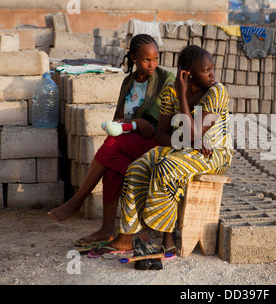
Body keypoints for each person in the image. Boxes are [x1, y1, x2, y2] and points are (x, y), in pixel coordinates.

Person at [88, 45, 233, 257]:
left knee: (167, 168)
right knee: (137, 167)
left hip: (213, 154)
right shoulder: (170, 92)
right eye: (206, 70)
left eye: (212, 68)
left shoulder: (216, 92)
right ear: (187, 73)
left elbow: (193, 131)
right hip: (181, 147)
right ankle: (125, 238)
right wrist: (188, 141)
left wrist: (183, 97)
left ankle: (166, 238)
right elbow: (162, 135)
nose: (212, 74)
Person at [47, 34, 175, 246]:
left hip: (155, 141)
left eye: (155, 58)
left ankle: (77, 200)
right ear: (134, 58)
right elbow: (123, 116)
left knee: (112, 144)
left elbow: (156, 123)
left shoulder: (165, 79)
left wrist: (135, 123)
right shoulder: (128, 82)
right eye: (146, 59)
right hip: (132, 140)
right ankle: (107, 231)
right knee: (112, 168)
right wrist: (125, 122)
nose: (152, 64)